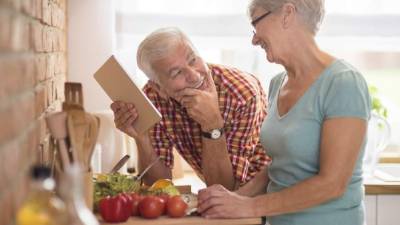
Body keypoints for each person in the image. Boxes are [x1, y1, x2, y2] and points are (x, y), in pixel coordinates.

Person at [197, 0, 371, 224]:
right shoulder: (278, 83)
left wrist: (249, 206)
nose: (254, 39)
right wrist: (235, 198)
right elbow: (281, 165)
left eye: (256, 23)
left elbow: (332, 184)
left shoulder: (343, 82)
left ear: (287, 14)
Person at [110, 27, 270, 190]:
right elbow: (158, 185)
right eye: (177, 72)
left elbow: (226, 189)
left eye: (192, 59)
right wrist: (142, 139)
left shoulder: (241, 93)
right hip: (221, 198)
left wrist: (212, 124)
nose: (194, 76)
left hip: (266, 192)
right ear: (159, 88)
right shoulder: (153, 97)